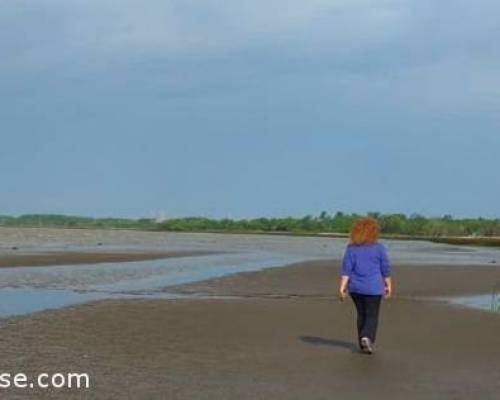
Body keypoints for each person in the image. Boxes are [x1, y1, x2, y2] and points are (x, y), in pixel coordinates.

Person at [338, 217, 393, 354]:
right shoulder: (379, 248)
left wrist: (342, 288)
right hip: (374, 288)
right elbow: (385, 268)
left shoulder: (351, 249)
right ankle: (366, 337)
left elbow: (347, 269)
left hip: (356, 288)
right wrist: (388, 285)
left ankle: (362, 341)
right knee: (372, 315)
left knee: (361, 314)